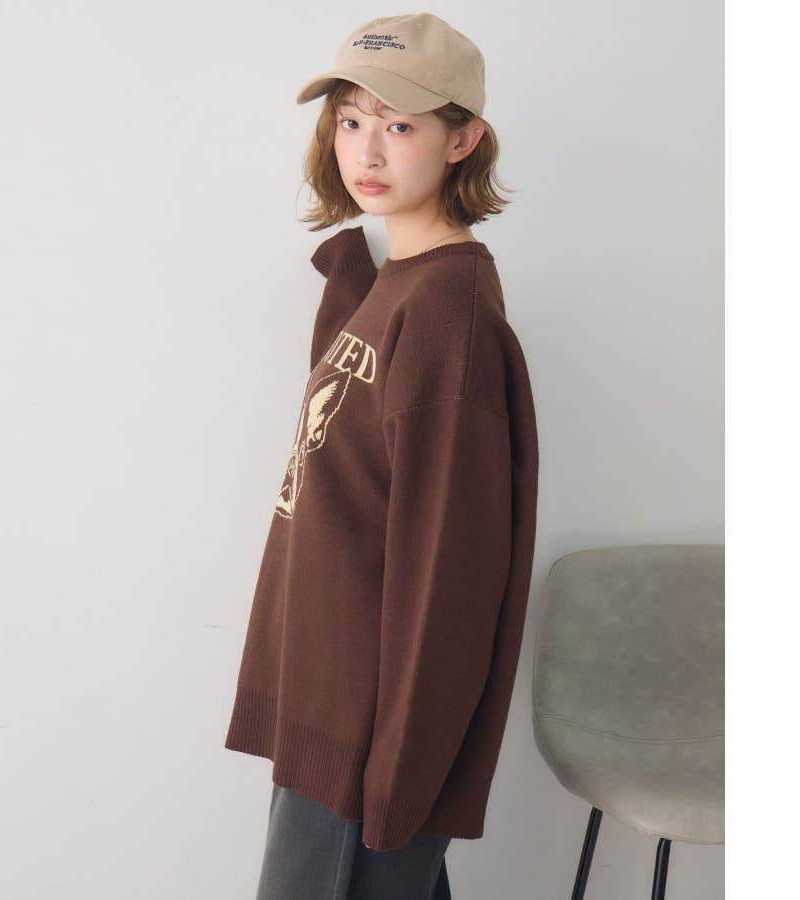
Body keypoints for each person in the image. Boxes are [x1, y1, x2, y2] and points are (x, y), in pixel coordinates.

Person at [224, 12, 540, 899]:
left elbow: (449, 573)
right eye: (351, 120)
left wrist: (399, 773)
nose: (366, 150)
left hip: (368, 738)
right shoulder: (396, 288)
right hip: (328, 702)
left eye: (399, 125)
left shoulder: (448, 317)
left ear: (461, 140)